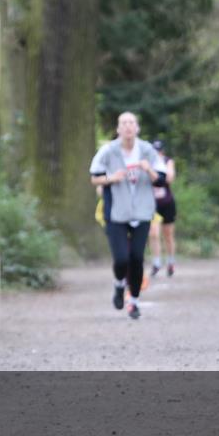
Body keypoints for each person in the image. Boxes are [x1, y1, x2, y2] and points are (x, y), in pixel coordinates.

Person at [89, 113, 167, 319]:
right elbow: (94, 178)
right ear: (118, 129)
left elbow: (161, 180)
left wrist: (148, 169)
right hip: (116, 212)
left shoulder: (147, 150)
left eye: (131, 123)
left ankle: (133, 301)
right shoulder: (108, 151)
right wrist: (111, 178)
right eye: (124, 123)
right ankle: (118, 284)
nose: (128, 127)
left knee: (137, 258)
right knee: (122, 258)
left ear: (137, 128)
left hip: (142, 212)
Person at [148, 139, 177, 277]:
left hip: (166, 203)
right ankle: (156, 263)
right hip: (152, 204)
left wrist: (159, 173)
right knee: (153, 233)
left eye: (159, 151)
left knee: (168, 234)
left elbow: (170, 178)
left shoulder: (167, 161)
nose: (157, 154)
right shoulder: (147, 164)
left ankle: (171, 261)